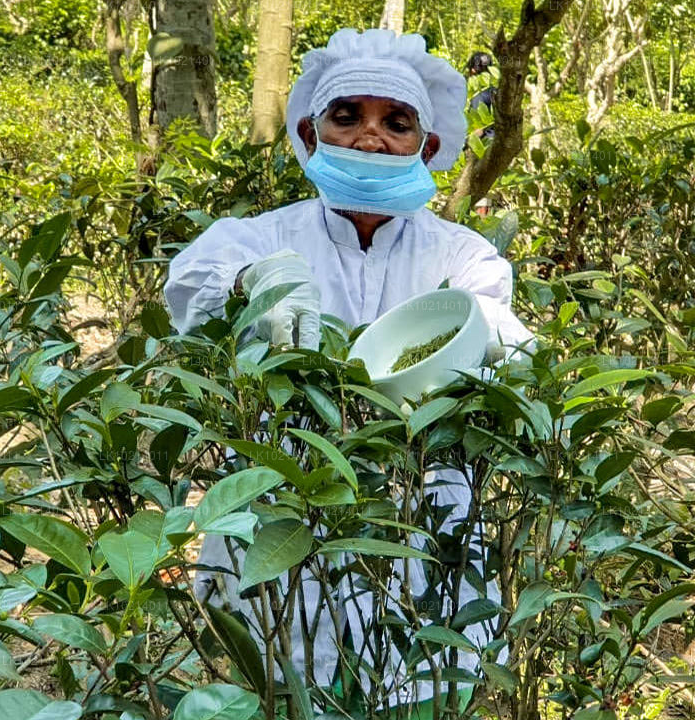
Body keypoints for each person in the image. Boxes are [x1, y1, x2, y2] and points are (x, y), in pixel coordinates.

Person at [163, 28, 533, 715]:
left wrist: (489, 342)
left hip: (423, 525)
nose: (370, 139)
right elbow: (191, 281)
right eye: (347, 117)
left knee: (417, 687)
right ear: (310, 133)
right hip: (283, 521)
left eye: (396, 123)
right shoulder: (267, 236)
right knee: (280, 681)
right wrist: (254, 282)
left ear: (427, 146)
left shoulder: (461, 254)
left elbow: (497, 332)